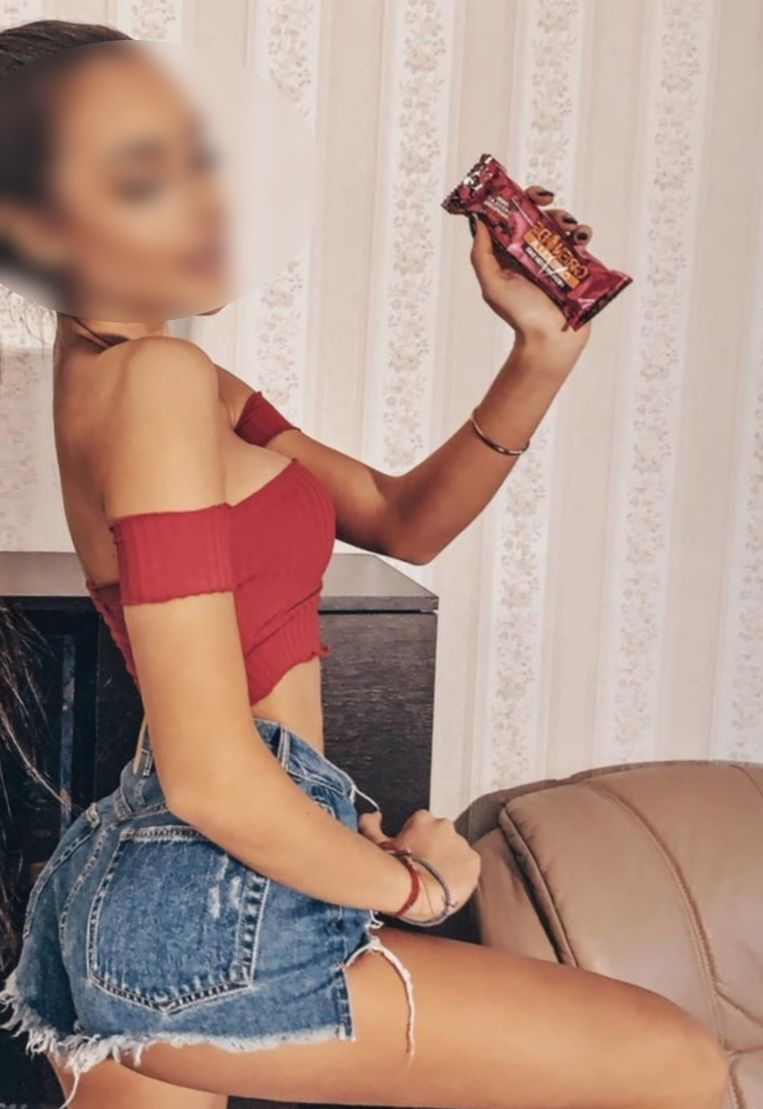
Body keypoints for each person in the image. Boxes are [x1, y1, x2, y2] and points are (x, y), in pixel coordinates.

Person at [0, 18, 729, 1109]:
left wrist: (541, 350)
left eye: (198, 159)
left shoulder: (157, 377)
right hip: (211, 879)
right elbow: (212, 773)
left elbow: (399, 519)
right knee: (675, 1062)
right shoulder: (152, 381)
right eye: (143, 177)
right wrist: (416, 883)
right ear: (30, 223)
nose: (204, 202)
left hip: (172, 876)